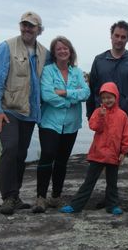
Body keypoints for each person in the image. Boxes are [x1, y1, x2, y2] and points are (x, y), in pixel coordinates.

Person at [0, 11, 50, 215]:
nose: (26, 29)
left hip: (30, 113)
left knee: (21, 154)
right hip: (8, 110)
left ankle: (15, 196)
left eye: (31, 26)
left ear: (39, 30)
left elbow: (47, 80)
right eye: (24, 25)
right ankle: (7, 198)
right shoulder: (6, 47)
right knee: (10, 148)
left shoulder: (44, 53)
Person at [86, 20, 128, 213]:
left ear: (127, 39)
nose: (119, 40)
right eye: (116, 36)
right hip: (104, 119)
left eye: (123, 37)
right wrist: (92, 116)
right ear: (111, 36)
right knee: (105, 155)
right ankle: (110, 196)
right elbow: (93, 90)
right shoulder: (99, 60)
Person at [32, 36, 90, 213]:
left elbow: (86, 92)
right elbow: (47, 95)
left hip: (71, 124)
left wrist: (64, 92)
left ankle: (55, 196)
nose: (63, 51)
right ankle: (41, 197)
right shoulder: (48, 71)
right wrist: (70, 100)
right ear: (54, 53)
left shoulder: (77, 72)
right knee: (47, 155)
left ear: (70, 51)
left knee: (62, 160)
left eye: (66, 48)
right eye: (59, 49)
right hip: (50, 122)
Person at [60, 82, 128, 215]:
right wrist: (101, 116)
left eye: (110, 97)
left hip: (113, 155)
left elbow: (126, 135)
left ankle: (112, 206)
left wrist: (124, 152)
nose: (107, 100)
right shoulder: (98, 112)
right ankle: (76, 205)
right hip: (97, 154)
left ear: (116, 97)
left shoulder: (122, 115)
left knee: (112, 183)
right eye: (104, 98)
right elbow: (94, 127)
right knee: (89, 182)